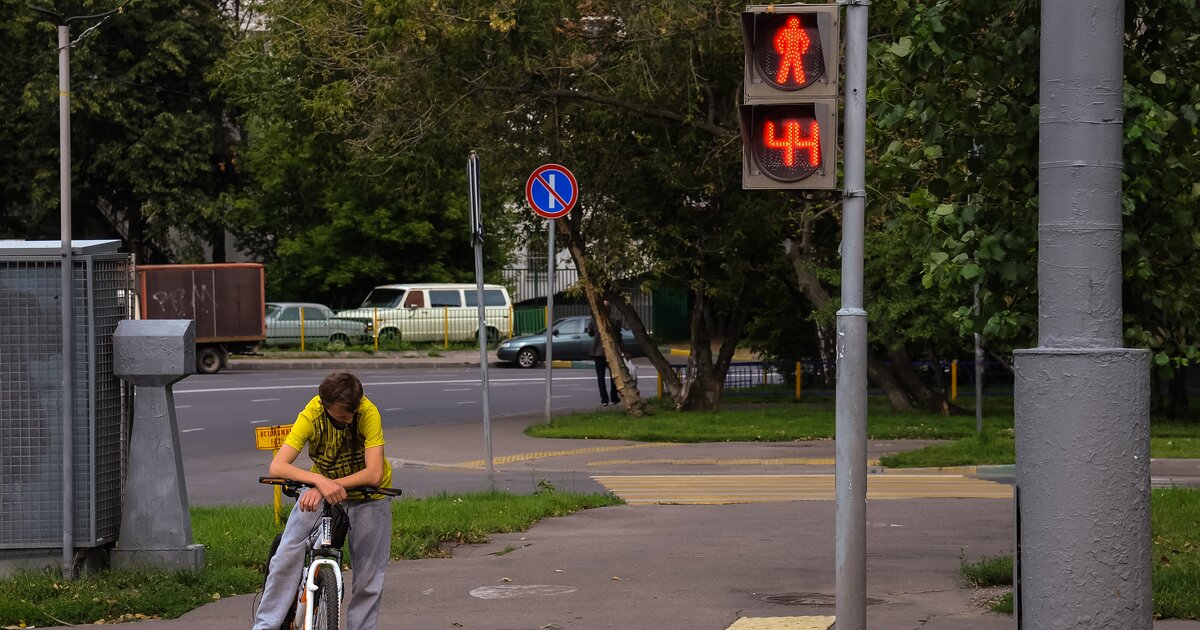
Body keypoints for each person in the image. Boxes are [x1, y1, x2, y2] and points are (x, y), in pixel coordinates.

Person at [253, 371, 393, 630]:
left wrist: (328, 484)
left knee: (369, 578)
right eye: (342, 416)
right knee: (285, 556)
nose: (349, 420)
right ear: (325, 406)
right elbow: (278, 466)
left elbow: (374, 474)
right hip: (322, 490)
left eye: (353, 413)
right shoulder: (312, 414)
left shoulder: (367, 412)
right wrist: (319, 482)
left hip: (368, 497)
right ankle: (265, 626)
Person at [587, 302, 621, 406]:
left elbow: (590, 333)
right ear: (610, 309)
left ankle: (604, 400)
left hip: (598, 352)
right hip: (611, 351)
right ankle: (614, 398)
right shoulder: (615, 320)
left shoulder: (594, 320)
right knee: (614, 375)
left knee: (600, 376)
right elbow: (618, 336)